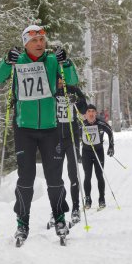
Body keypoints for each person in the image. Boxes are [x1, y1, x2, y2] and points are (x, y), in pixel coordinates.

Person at [0, 25, 79, 242]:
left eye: (42, 39)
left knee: (54, 178)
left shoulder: (51, 61)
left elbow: (73, 80)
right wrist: (5, 60)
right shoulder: (17, 61)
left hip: (50, 128)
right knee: (26, 178)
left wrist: (66, 62)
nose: (40, 43)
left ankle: (59, 217)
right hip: (24, 129)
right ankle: (22, 221)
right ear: (25, 44)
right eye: (35, 40)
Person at [50, 78, 87, 226]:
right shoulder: (51, 90)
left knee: (73, 174)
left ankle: (76, 208)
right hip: (56, 139)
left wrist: (76, 101)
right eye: (57, 78)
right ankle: (56, 210)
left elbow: (84, 109)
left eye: (61, 78)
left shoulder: (73, 90)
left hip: (71, 138)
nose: (59, 81)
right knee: (55, 178)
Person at [80, 104, 114, 210]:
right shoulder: (81, 124)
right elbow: (75, 137)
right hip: (86, 152)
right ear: (85, 114)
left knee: (99, 175)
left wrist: (111, 147)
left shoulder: (101, 123)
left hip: (98, 151)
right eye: (88, 111)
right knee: (87, 176)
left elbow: (110, 132)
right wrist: (76, 152)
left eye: (92, 111)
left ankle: (102, 199)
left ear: (95, 113)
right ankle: (88, 199)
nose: (91, 113)